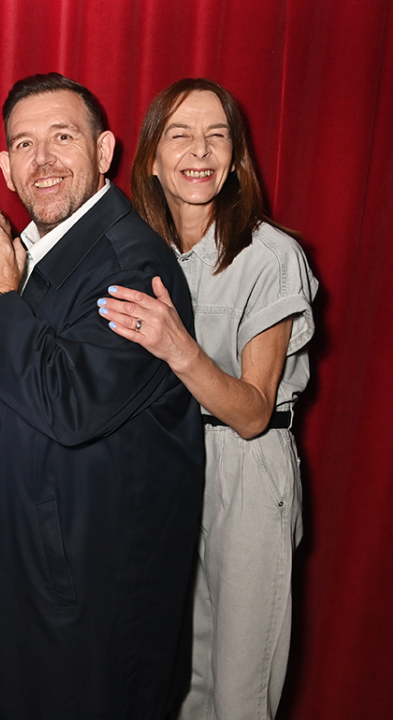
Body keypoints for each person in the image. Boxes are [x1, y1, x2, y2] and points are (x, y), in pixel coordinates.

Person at [0, 72, 205, 720]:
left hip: (86, 597)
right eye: (25, 145)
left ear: (105, 151)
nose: (44, 160)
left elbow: (71, 403)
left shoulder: (131, 263)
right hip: (25, 574)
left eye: (63, 137)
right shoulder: (32, 250)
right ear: (5, 165)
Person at [97, 78, 318, 720]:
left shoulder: (271, 255)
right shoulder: (143, 253)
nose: (200, 150)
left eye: (217, 136)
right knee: (181, 677)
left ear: (236, 156)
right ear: (152, 159)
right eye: (180, 134)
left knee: (240, 687)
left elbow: (252, 411)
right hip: (168, 463)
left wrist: (179, 347)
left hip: (246, 469)